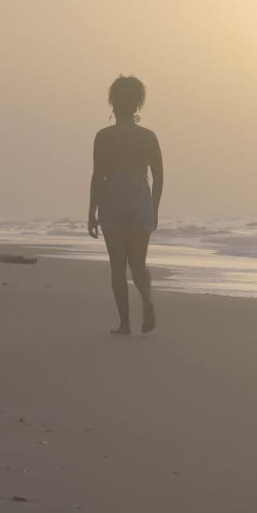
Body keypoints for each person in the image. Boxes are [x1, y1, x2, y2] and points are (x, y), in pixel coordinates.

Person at [87, 75, 164, 335]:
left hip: (113, 195)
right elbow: (159, 175)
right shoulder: (149, 137)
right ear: (138, 104)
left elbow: (98, 176)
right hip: (140, 194)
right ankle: (147, 303)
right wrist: (154, 207)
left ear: (113, 102)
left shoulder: (104, 136)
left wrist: (91, 212)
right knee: (138, 263)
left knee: (118, 265)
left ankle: (125, 323)